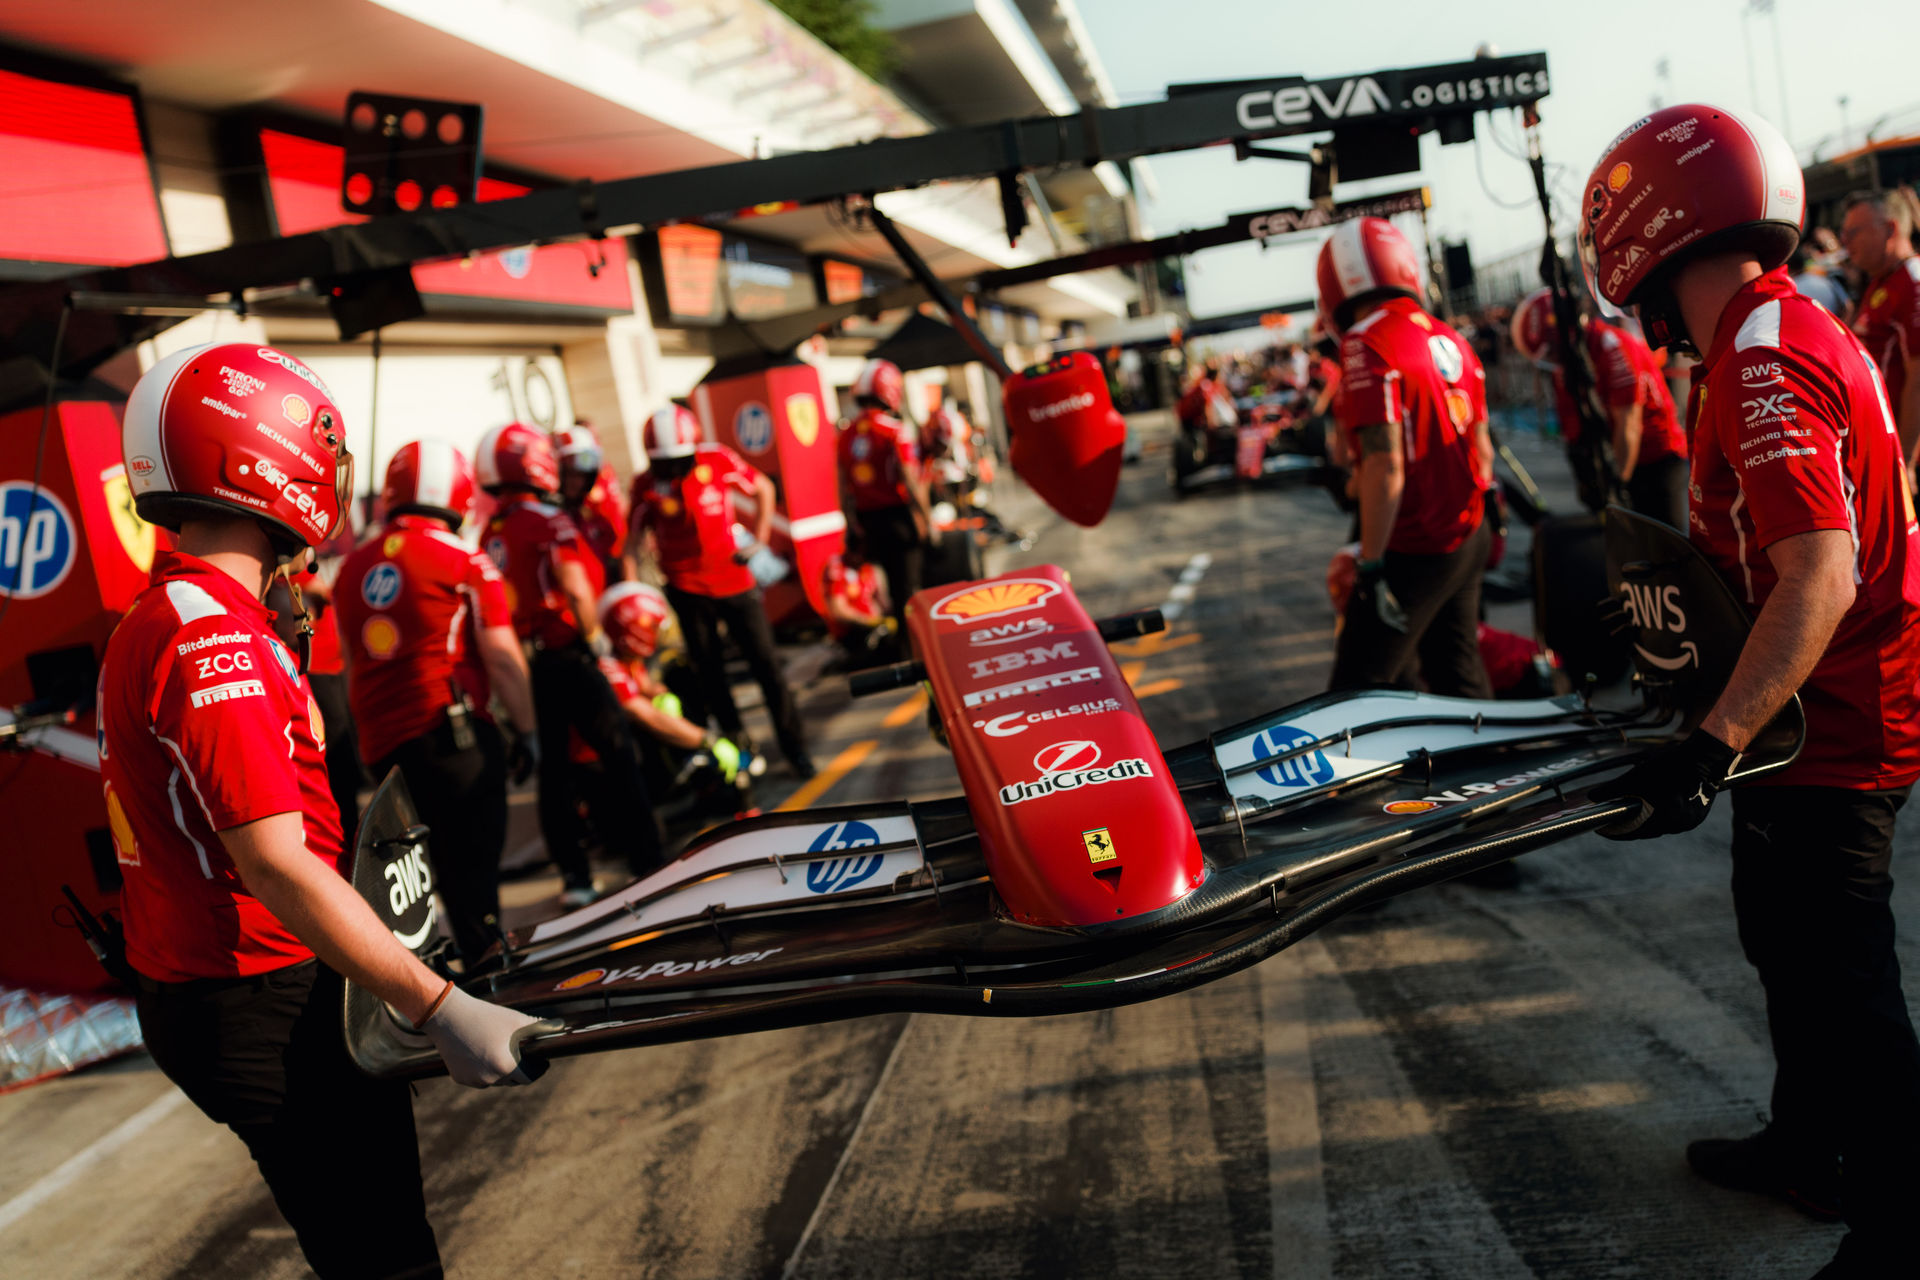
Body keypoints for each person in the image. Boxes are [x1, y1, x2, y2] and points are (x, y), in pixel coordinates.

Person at [98, 343, 544, 1280]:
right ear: (263, 456)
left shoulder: (179, 608)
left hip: (235, 987)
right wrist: (436, 1005)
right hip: (261, 992)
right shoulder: (211, 632)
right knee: (385, 1257)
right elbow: (277, 862)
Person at [1579, 104, 1920, 1279]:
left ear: (1655, 250)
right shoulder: (1783, 327)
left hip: (1832, 725)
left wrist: (1708, 742)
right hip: (1804, 720)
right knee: (1784, 943)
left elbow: (1821, 572)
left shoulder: (1766, 354)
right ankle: (1808, 1146)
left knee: (1847, 987)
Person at [335, 440, 539, 963]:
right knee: (472, 874)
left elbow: (353, 665)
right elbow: (502, 657)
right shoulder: (464, 560)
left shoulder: (353, 568)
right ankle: (492, 977)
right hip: (454, 739)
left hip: (385, 749)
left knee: (418, 880)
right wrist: (528, 731)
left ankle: (449, 976)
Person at [479, 422, 662, 906]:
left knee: (554, 775)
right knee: (620, 754)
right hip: (566, 657)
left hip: (526, 664)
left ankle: (576, 879)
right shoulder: (549, 520)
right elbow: (576, 587)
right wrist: (598, 640)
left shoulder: (491, 529)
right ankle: (649, 862)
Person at [1317, 216, 1494, 699]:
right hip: (1468, 530)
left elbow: (1384, 466)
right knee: (1456, 674)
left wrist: (1371, 566)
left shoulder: (1365, 342)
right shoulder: (1451, 337)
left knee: (1353, 697)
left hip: (1416, 545)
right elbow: (1483, 450)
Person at [628, 403, 814, 779]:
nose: (674, 468)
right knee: (711, 675)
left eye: (679, 458)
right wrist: (634, 595)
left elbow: (762, 486)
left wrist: (759, 541)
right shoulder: (645, 485)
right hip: (687, 589)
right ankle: (741, 753)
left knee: (767, 666)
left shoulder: (717, 459)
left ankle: (796, 750)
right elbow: (632, 543)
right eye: (665, 461)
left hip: (735, 582)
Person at [593, 581, 750, 820]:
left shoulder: (626, 659)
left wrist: (667, 700)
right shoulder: (607, 669)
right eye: (653, 627)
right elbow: (648, 716)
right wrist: (708, 740)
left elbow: (651, 690)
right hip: (601, 769)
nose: (657, 633)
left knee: (676, 697)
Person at [836, 359, 932, 625]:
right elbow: (911, 481)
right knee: (910, 592)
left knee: (887, 588)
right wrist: (928, 522)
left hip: (868, 522)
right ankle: (916, 649)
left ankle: (899, 640)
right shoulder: (894, 431)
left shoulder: (845, 435)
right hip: (898, 520)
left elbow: (842, 488)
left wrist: (851, 526)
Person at [1839, 188, 1920, 466]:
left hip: (1901, 455)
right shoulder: (1880, 281)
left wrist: (1906, 459)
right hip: (1878, 447)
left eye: (1854, 232)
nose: (1844, 241)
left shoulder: (1913, 281)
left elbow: (1918, 380)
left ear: (1889, 229)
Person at [554, 420, 629, 582]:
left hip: (614, 557)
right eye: (571, 474)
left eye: (582, 475)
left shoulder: (604, 473)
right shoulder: (554, 516)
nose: (578, 482)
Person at [821, 526, 896, 668]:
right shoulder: (836, 569)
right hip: (853, 631)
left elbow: (882, 598)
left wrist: (890, 616)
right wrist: (868, 621)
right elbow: (838, 610)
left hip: (877, 626)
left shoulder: (870, 566)